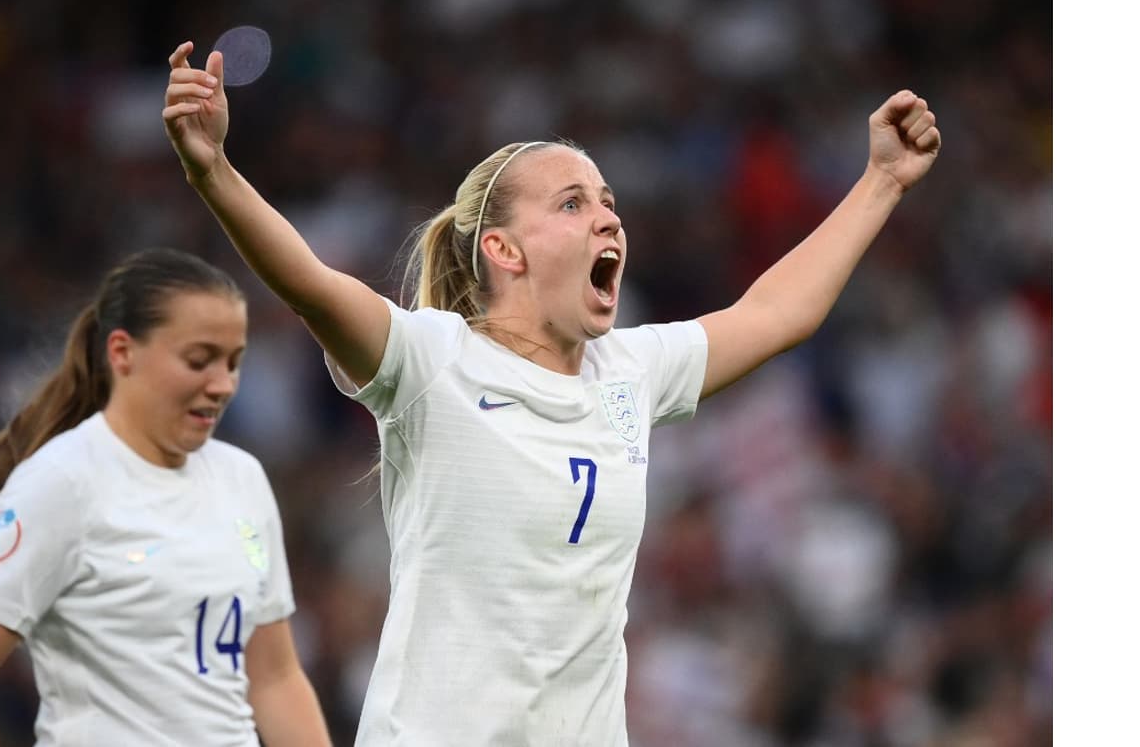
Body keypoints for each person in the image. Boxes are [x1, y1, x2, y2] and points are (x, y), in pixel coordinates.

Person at [162, 37, 940, 745]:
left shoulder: (631, 371)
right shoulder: (434, 362)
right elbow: (310, 285)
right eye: (573, 203)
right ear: (503, 249)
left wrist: (881, 180)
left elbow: (774, 312)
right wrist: (215, 171)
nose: (607, 218)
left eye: (608, 203)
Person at [0, 248, 332, 747]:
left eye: (233, 362)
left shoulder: (242, 477)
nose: (223, 384)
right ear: (122, 353)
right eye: (199, 360)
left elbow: (275, 678)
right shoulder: (62, 481)